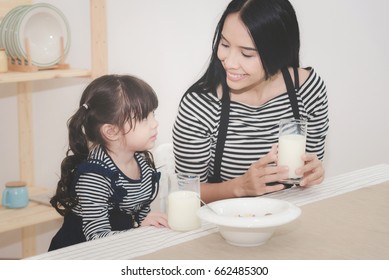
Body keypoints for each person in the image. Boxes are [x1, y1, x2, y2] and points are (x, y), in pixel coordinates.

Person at [172, 0, 329, 203]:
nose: (229, 62)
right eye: (224, 44)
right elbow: (186, 192)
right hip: (227, 225)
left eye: (246, 54)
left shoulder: (308, 90)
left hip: (290, 214)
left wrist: (313, 171)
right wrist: (239, 187)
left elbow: (309, 168)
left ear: (278, 52)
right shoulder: (200, 106)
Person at [49, 74, 168, 251]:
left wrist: (146, 225)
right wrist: (139, 230)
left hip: (118, 250)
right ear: (111, 131)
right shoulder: (94, 176)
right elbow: (97, 238)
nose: (155, 124)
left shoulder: (142, 163)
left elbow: (139, 215)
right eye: (144, 118)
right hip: (78, 256)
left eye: (153, 115)